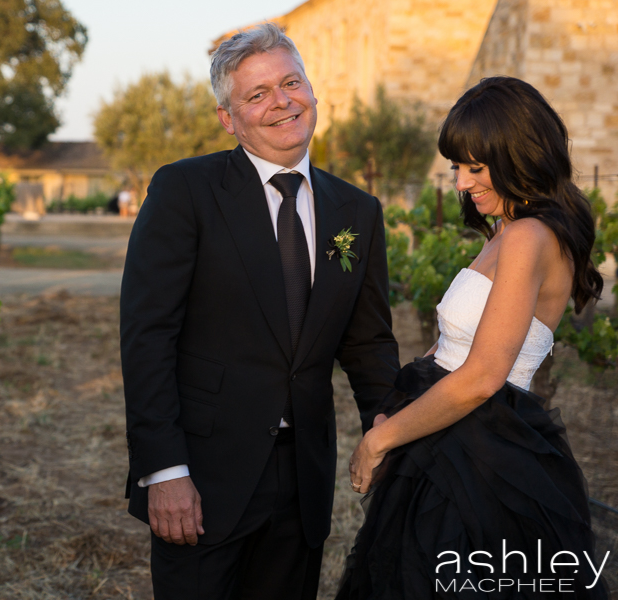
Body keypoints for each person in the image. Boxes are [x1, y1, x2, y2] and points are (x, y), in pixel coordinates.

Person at [120, 23, 399, 599]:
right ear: (229, 118)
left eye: (291, 82)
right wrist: (165, 471)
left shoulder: (358, 211)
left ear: (313, 91)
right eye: (258, 94)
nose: (283, 102)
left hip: (304, 481)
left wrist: (391, 433)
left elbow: (368, 343)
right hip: (201, 478)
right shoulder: (185, 191)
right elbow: (147, 336)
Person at [338, 76, 609, 599]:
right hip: (452, 439)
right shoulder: (509, 230)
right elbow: (453, 348)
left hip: (483, 457)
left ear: (518, 154)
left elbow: (484, 377)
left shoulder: (529, 237)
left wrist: (378, 442)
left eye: (474, 168)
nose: (461, 183)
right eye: (456, 167)